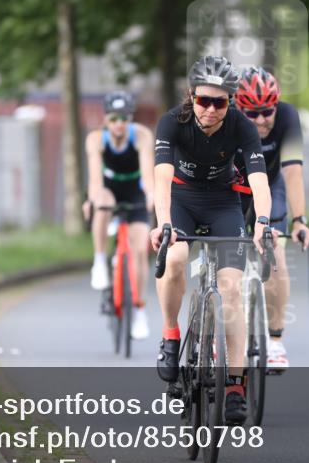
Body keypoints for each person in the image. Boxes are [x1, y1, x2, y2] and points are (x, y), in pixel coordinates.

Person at [149, 56, 275, 425]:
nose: (210, 109)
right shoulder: (173, 122)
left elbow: (259, 181)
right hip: (182, 200)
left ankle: (234, 384)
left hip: (223, 203)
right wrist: (164, 223)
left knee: (232, 289)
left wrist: (263, 222)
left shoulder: (240, 126)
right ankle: (171, 335)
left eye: (219, 102)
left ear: (230, 102)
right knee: (174, 259)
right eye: (204, 100)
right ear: (191, 96)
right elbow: (161, 178)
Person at [232, 67, 309, 372]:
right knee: (226, 256)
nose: (262, 120)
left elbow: (293, 171)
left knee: (275, 254)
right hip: (233, 187)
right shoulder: (227, 119)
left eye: (267, 111)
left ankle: (275, 340)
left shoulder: (288, 117)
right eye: (252, 114)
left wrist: (299, 220)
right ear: (239, 109)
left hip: (271, 183)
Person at [83, 91, 154, 340]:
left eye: (124, 118)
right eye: (114, 118)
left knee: (140, 250)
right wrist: (92, 200)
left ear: (130, 119)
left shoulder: (142, 136)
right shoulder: (96, 139)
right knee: (102, 201)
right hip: (109, 190)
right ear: (106, 119)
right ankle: (100, 260)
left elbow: (147, 176)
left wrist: (151, 199)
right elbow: (94, 180)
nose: (119, 124)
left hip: (134, 190)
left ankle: (139, 308)